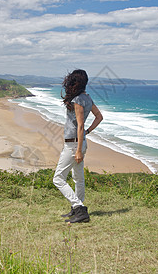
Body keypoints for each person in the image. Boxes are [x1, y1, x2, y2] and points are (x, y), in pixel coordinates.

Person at [53, 69, 103, 223]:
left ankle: (79, 208)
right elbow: (99, 117)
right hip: (79, 142)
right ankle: (77, 210)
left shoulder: (78, 100)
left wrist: (79, 150)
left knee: (58, 178)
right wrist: (88, 132)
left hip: (74, 144)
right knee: (78, 178)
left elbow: (80, 126)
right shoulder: (87, 98)